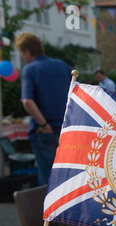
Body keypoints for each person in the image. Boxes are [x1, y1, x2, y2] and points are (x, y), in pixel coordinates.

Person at [15, 32, 72, 186]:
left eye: (22, 53)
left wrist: (43, 125)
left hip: (46, 132)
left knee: (48, 181)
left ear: (27, 51)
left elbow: (27, 101)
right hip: (67, 131)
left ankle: (49, 211)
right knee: (68, 179)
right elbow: (79, 94)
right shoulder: (62, 65)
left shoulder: (30, 69)